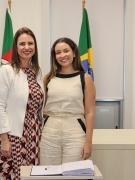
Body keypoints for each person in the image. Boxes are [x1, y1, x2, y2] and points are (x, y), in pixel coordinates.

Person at [0, 27, 45, 179]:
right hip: (12, 135)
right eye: (22, 44)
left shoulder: (37, 72)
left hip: (34, 135)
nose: (27, 47)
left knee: (30, 175)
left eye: (30, 43)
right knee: (10, 175)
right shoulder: (6, 71)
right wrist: (4, 140)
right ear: (15, 47)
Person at [40, 37, 96, 165]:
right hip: (49, 130)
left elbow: (90, 112)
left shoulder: (85, 78)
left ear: (74, 52)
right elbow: (40, 107)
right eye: (58, 52)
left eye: (66, 51)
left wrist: (88, 142)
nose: (62, 55)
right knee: (48, 173)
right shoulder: (48, 78)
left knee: (73, 173)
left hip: (75, 130)